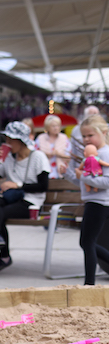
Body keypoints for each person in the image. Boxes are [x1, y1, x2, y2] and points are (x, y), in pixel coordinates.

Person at [0, 121, 50, 272]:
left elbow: (43, 186)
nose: (7, 143)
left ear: (21, 141)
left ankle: (4, 255)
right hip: (11, 199)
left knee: (0, 213)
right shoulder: (9, 158)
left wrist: (17, 184)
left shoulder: (38, 157)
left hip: (31, 202)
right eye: (6, 139)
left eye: (10, 140)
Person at [74, 115, 109, 285]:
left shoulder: (105, 154)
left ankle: (89, 284)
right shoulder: (91, 155)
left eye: (90, 135)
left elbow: (106, 182)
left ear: (104, 133)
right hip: (92, 201)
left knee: (87, 242)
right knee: (87, 242)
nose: (86, 139)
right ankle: (89, 283)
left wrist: (84, 177)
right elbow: (82, 179)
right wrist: (68, 172)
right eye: (84, 136)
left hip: (99, 202)